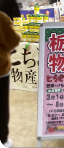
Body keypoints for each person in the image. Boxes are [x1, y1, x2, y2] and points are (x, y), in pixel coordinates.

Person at [0, 11, 21, 148]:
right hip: (0, 69)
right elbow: (13, 40)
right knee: (1, 106)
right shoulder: (1, 18)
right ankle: (3, 139)